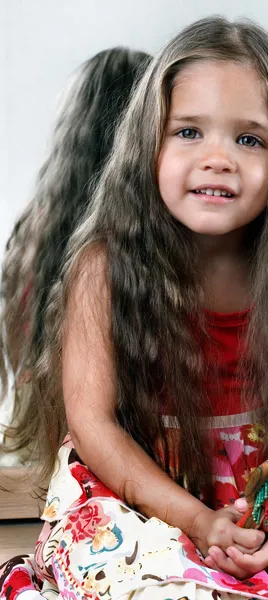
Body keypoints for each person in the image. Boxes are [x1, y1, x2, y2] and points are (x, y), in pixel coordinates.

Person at [1, 16, 268, 599]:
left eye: (249, 139)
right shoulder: (104, 269)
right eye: (188, 132)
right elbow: (93, 427)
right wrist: (195, 519)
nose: (218, 158)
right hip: (138, 494)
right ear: (148, 144)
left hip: (265, 497)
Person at [0, 46, 152, 462]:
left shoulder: (36, 227)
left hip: (45, 446)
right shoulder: (145, 235)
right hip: (129, 450)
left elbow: (19, 353)